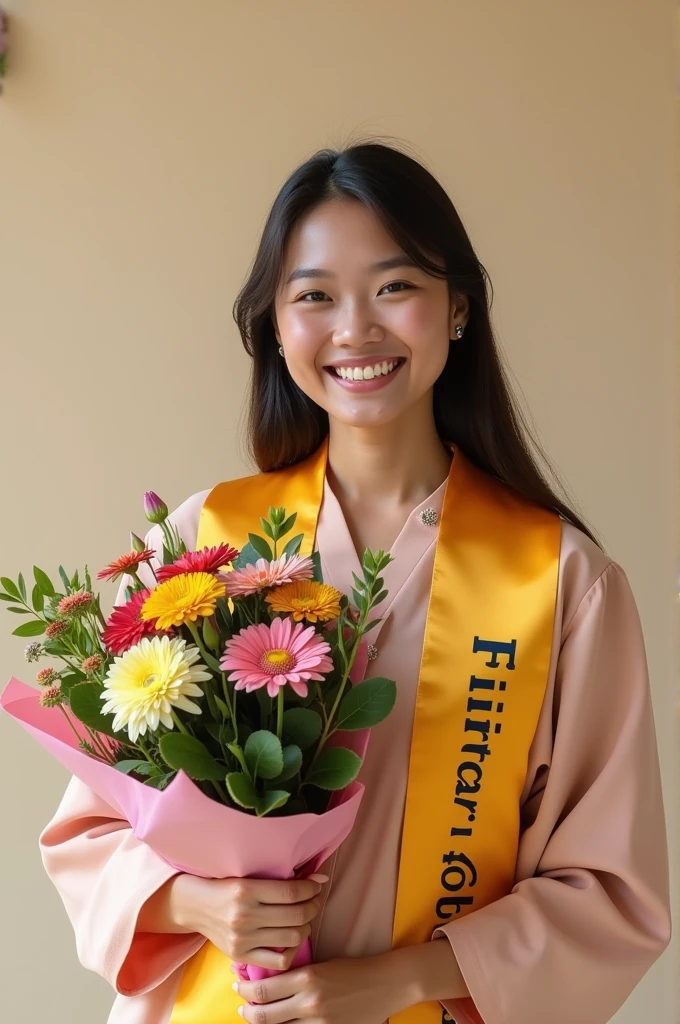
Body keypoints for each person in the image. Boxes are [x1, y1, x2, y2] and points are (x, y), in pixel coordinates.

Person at [39, 140, 671, 1024]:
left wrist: (398, 980)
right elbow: (94, 829)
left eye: (396, 286)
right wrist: (195, 904)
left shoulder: (560, 582)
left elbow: (610, 892)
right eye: (314, 296)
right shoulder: (202, 543)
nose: (355, 329)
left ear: (458, 309)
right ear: (277, 326)